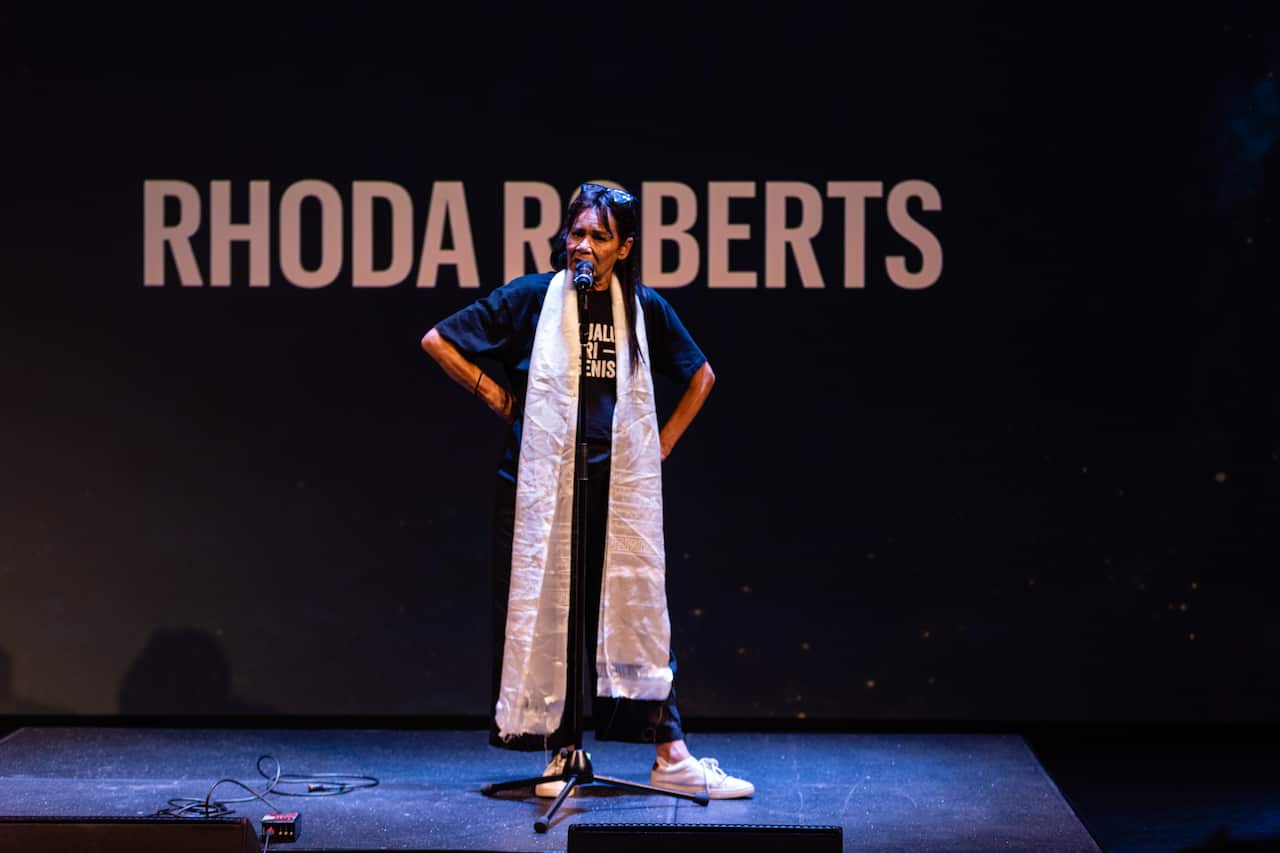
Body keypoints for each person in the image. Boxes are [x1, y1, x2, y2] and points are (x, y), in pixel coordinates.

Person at [421, 182, 753, 799]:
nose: (585, 246)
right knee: (552, 613)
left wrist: (660, 445)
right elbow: (438, 340)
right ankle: (561, 752)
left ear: (623, 247)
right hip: (539, 491)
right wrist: (493, 394)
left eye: (600, 236)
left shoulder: (643, 307)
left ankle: (670, 754)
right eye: (576, 233)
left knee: (636, 610)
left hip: (617, 489)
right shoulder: (531, 299)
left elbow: (700, 375)